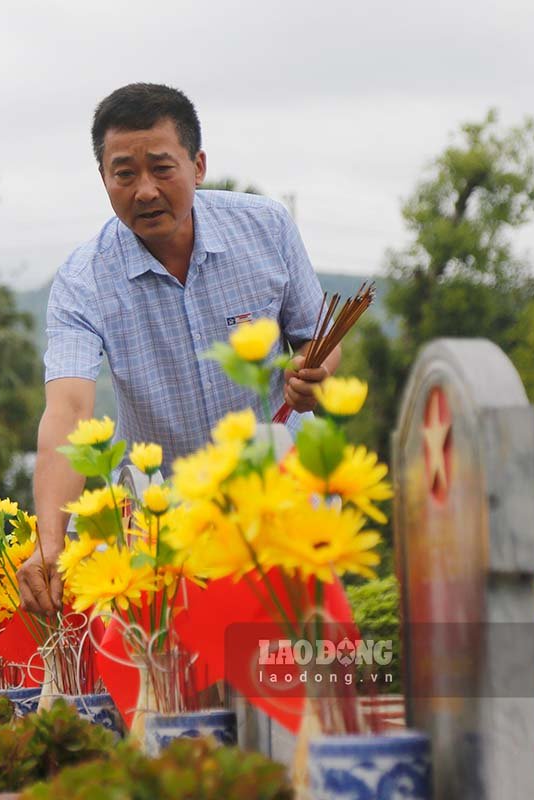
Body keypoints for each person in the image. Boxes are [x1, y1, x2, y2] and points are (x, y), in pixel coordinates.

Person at [17, 83, 340, 615]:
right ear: (103, 179)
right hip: (165, 516)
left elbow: (317, 341)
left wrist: (314, 372)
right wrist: (51, 541)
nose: (144, 190)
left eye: (162, 168)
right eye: (124, 173)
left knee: (291, 665)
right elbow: (69, 412)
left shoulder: (266, 227)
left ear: (198, 166)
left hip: (281, 494)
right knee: (179, 678)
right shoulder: (83, 279)